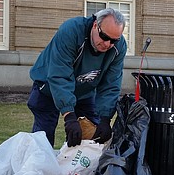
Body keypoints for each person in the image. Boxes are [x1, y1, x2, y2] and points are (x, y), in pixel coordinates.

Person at [28, 8, 128, 147]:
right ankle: (38, 167)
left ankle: (77, 168)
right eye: (104, 37)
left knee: (93, 136)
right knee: (42, 139)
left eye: (113, 41)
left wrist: (105, 118)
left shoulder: (119, 47)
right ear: (95, 25)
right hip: (49, 87)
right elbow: (59, 75)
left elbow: (111, 84)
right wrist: (69, 115)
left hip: (84, 91)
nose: (107, 44)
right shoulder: (71, 31)